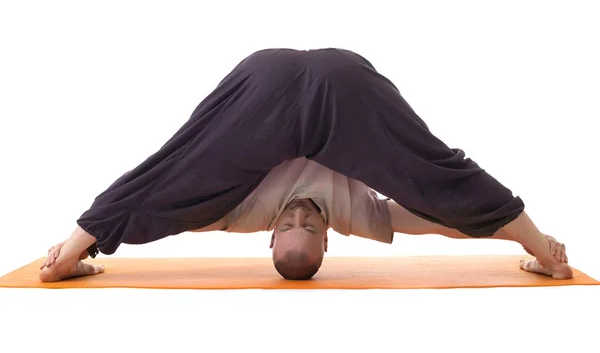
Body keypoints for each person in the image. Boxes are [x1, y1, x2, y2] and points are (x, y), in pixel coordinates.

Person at [39, 48, 573, 282]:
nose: (299, 216)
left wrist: (74, 249)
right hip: (346, 88)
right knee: (429, 172)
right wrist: (527, 241)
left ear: (268, 236)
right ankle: (544, 254)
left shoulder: (239, 217)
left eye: (289, 225)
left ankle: (66, 257)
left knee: (179, 168)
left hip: (263, 88)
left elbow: (162, 200)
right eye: (310, 226)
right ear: (330, 236)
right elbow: (438, 216)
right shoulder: (354, 216)